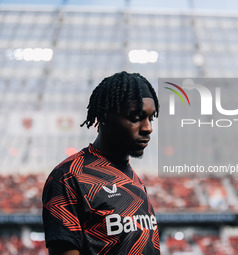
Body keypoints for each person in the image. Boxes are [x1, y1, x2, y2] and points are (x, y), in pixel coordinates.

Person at [42, 71, 160, 255]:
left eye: (150, 118)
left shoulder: (135, 181)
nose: (148, 128)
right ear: (105, 116)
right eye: (136, 117)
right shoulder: (69, 177)